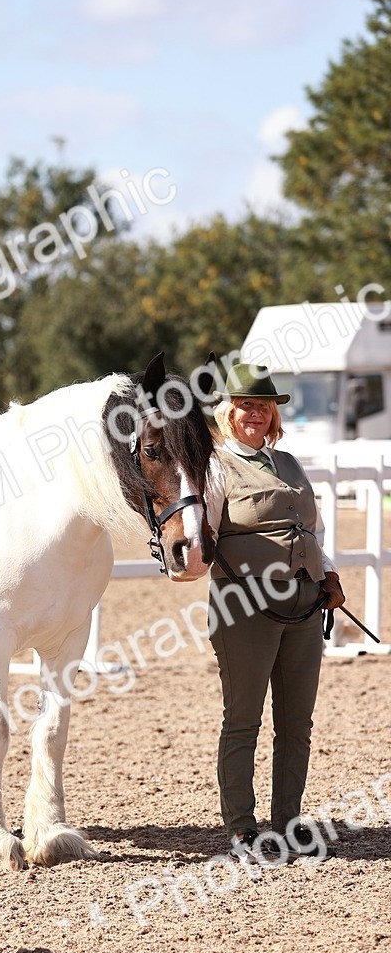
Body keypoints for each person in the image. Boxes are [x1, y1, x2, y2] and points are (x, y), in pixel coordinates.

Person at [205, 363, 345, 864]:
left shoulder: (290, 463)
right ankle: (241, 828)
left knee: (296, 722)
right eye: (247, 406)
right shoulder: (216, 467)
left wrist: (328, 574)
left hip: (305, 604)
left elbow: (313, 530)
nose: (256, 415)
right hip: (245, 608)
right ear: (228, 413)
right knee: (243, 720)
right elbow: (204, 541)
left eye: (264, 408)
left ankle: (287, 821)